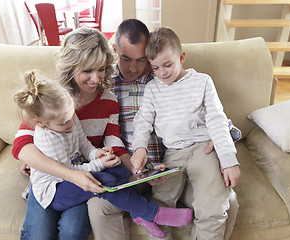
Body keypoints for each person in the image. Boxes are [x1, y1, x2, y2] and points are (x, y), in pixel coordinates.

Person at [88, 18, 241, 240]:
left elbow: (214, 116)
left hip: (179, 161)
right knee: (102, 206)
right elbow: (73, 116)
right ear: (115, 51)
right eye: (126, 59)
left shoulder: (166, 73)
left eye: (141, 60)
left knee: (225, 202)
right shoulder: (103, 81)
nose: (134, 67)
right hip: (138, 171)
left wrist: (225, 142)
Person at [14, 70, 193, 239]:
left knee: (117, 167)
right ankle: (152, 212)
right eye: (63, 123)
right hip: (55, 187)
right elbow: (67, 170)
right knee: (104, 182)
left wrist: (96, 154)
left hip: (76, 174)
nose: (70, 124)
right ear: (40, 123)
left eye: (72, 117)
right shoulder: (46, 133)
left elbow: (83, 144)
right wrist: (99, 165)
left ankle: (139, 215)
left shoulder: (66, 113)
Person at [12, 27, 133, 240]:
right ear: (71, 67)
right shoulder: (52, 98)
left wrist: (137, 170)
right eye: (87, 70)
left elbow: (114, 144)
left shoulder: (109, 101)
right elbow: (22, 145)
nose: (96, 78)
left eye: (102, 69)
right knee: (38, 235)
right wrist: (68, 173)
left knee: (72, 232)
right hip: (53, 181)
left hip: (84, 177)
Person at [131, 26, 241, 240]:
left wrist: (229, 160)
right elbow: (143, 121)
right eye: (155, 68)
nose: (162, 73)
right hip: (172, 154)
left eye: (168, 65)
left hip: (203, 151)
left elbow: (217, 119)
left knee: (213, 207)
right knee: (158, 207)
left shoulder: (203, 82)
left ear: (181, 57)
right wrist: (140, 148)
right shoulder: (153, 89)